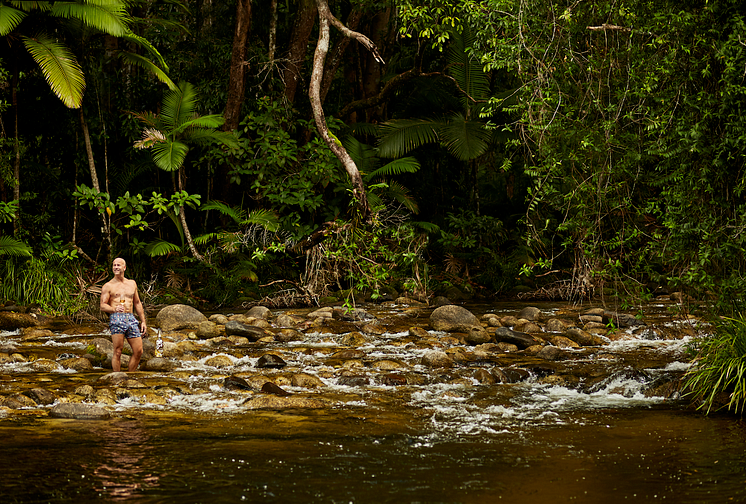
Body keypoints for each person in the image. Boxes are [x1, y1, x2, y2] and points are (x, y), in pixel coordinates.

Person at [100, 257, 148, 372]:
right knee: (118, 351)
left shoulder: (132, 283)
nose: (116, 267)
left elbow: (137, 302)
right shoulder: (108, 285)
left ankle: (130, 376)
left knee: (138, 351)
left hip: (131, 318)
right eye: (114, 265)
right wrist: (114, 308)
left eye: (118, 265)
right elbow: (102, 306)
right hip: (117, 318)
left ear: (124, 267)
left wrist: (143, 321)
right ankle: (117, 378)